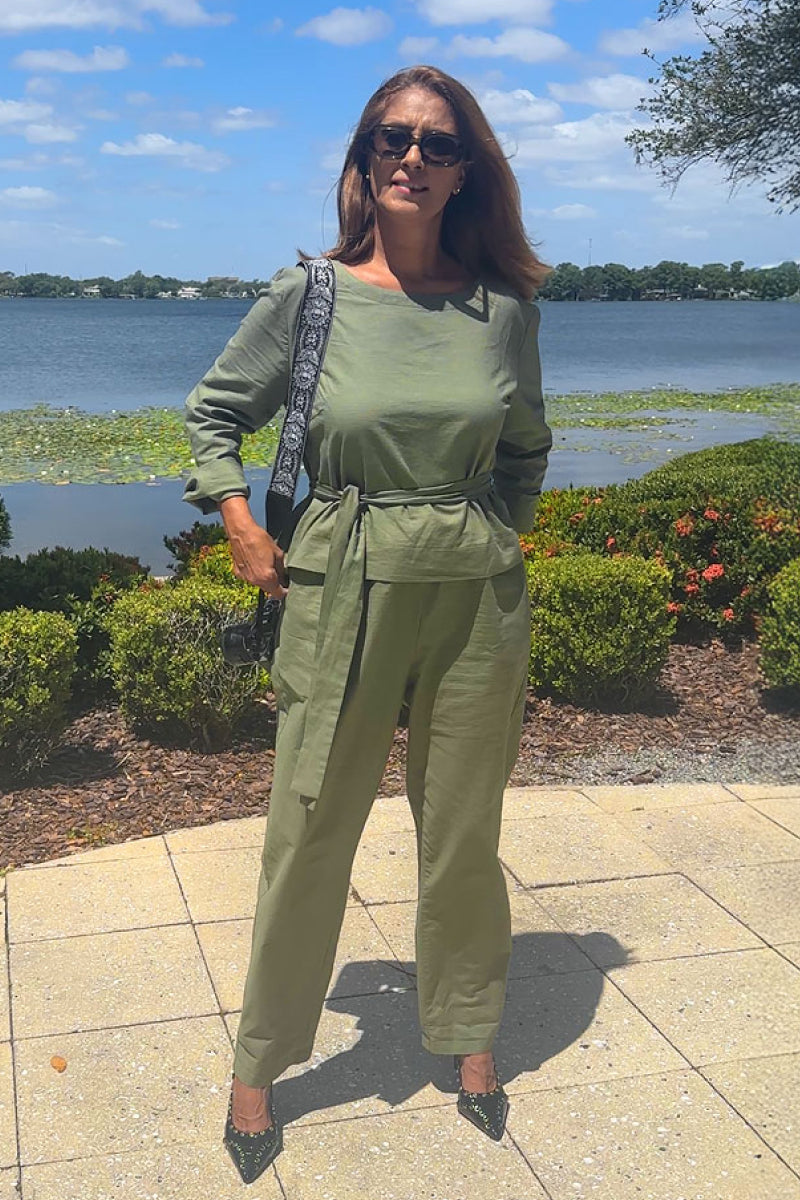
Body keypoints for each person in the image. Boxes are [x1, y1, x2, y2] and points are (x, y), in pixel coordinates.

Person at [182, 63, 552, 1184]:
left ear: (466, 171)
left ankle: (470, 1035)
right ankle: (259, 1066)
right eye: (393, 137)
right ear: (363, 157)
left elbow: (526, 446)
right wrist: (240, 524)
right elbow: (214, 413)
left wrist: (496, 535)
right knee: (308, 828)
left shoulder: (502, 309)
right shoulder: (312, 297)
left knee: (464, 829)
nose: (412, 157)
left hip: (474, 592)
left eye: (438, 143)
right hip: (340, 578)